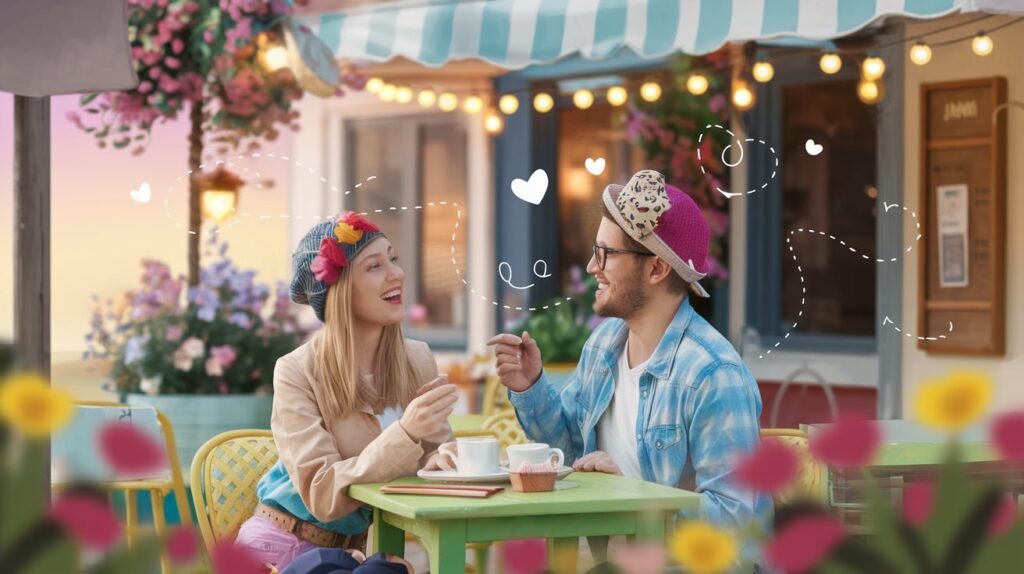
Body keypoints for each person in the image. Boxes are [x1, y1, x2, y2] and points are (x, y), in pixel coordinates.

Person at [487, 170, 772, 569]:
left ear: (656, 269)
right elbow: (571, 453)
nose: (590, 266)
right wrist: (531, 386)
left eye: (605, 253)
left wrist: (632, 496)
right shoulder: (604, 347)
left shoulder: (712, 374)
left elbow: (733, 523)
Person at [234, 211, 458, 573]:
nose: (396, 273)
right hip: (280, 548)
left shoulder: (418, 359)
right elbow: (323, 495)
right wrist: (408, 433)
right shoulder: (296, 371)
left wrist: (445, 458)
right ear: (338, 292)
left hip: (353, 555)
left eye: (393, 258)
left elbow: (435, 454)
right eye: (374, 266)